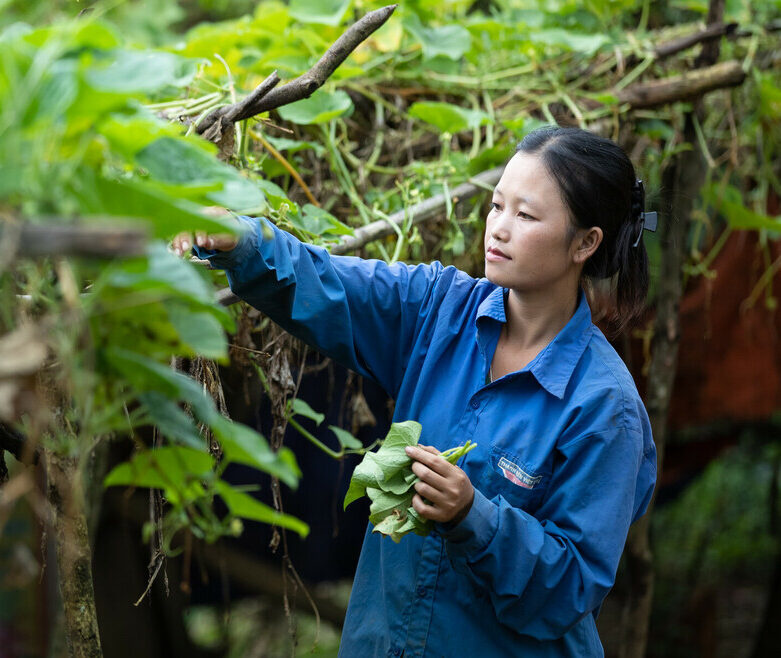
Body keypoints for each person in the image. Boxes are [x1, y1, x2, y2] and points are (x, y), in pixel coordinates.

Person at [172, 125, 657, 657]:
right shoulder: (438, 309)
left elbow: (572, 586)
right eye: (497, 206)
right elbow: (331, 284)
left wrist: (472, 514)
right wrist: (242, 240)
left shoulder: (605, 407)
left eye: (526, 216)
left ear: (585, 243)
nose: (498, 228)